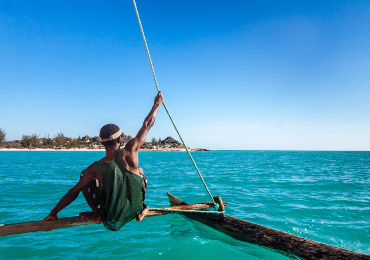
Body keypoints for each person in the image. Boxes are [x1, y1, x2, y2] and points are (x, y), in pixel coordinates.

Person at [43, 91, 164, 231]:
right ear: (120, 139)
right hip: (133, 209)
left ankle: (97, 215)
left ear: (101, 142)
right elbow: (147, 125)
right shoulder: (130, 150)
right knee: (140, 171)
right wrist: (156, 105)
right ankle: (140, 209)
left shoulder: (94, 169)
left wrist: (53, 213)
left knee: (84, 177)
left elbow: (73, 192)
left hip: (111, 215)